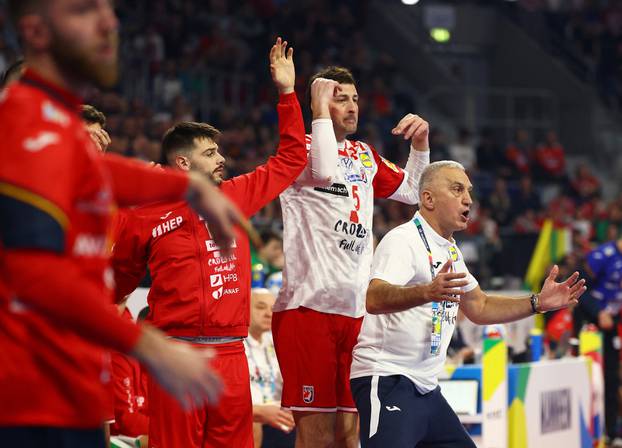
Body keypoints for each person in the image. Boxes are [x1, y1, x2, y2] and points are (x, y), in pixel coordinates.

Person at [0, 1, 244, 445]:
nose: (108, 22)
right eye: (82, 10)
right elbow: (40, 278)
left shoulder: (55, 127)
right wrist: (150, 345)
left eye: (109, 10)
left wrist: (185, 188)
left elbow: (97, 171)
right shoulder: (19, 130)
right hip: (29, 393)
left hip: (73, 384)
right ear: (35, 33)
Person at [112, 38, 337, 448]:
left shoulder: (234, 196)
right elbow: (118, 280)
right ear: (183, 163)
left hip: (232, 357)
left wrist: (287, 93)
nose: (222, 160)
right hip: (176, 355)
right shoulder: (143, 212)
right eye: (211, 153)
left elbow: (290, 159)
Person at [349, 160, 587, 447]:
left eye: (469, 191)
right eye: (457, 189)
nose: (468, 199)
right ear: (428, 199)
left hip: (426, 387)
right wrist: (426, 292)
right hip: (388, 379)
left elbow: (479, 306)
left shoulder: (450, 249)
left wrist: (537, 303)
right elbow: (373, 298)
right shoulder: (403, 241)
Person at [272, 65, 431, 448]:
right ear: (320, 102)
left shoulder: (364, 155)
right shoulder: (300, 150)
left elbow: (411, 191)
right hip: (308, 310)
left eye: (355, 99)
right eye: (339, 97)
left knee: (349, 434)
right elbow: (325, 170)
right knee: (317, 435)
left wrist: (421, 144)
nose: (352, 106)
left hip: (356, 312)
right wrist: (318, 111)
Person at [573, 238, 622, 444]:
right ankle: (584, 432)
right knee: (588, 378)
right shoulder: (601, 256)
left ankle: (611, 432)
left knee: (611, 378)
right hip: (589, 326)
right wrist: (598, 311)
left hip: (611, 326)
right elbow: (578, 289)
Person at [246, 288, 295, 448]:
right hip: (251, 416)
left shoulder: (277, 342)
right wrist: (259, 412)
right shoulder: (234, 346)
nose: (268, 314)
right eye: (260, 307)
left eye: (272, 309)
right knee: (253, 425)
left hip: (278, 417)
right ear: (244, 309)